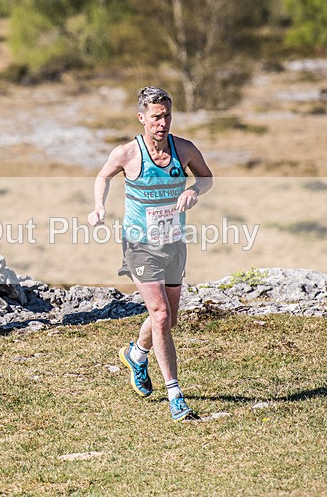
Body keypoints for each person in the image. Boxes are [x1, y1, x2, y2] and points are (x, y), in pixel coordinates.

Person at [88, 86, 213, 421]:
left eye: (167, 115)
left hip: (173, 242)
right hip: (139, 244)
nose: (163, 122)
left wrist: (193, 191)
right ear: (142, 118)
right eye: (156, 117)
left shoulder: (183, 149)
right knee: (159, 315)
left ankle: (137, 354)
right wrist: (99, 206)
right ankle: (175, 395)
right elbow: (103, 176)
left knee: (169, 319)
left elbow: (206, 178)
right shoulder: (127, 153)